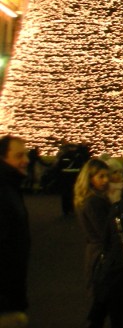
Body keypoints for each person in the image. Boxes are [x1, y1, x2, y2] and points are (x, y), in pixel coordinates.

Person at [74, 158, 115, 328]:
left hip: (94, 252)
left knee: (100, 303)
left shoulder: (87, 199)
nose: (105, 180)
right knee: (102, 302)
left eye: (107, 176)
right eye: (101, 176)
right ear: (90, 178)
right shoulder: (95, 202)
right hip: (101, 255)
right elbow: (104, 232)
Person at [0, 135, 31, 324]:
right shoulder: (4, 191)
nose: (26, 161)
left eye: (26, 155)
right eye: (19, 156)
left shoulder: (10, 185)